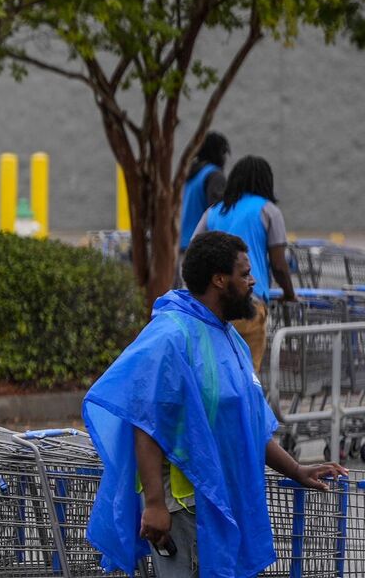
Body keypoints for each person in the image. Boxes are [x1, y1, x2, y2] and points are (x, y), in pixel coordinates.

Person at [84, 230, 345, 578]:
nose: (253, 281)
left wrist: (296, 470)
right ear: (220, 279)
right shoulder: (171, 335)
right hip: (187, 510)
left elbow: (248, 424)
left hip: (225, 504)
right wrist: (155, 504)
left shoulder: (227, 334)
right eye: (245, 273)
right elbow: (143, 421)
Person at [194, 155, 295, 368]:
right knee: (248, 376)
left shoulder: (214, 211)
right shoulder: (268, 211)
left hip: (211, 306)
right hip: (248, 303)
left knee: (215, 374)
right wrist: (289, 294)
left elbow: (195, 249)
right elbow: (279, 265)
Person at [178, 132, 230, 253]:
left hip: (182, 243)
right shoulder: (214, 175)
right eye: (224, 153)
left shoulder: (191, 175)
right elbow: (218, 212)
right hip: (202, 247)